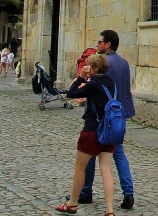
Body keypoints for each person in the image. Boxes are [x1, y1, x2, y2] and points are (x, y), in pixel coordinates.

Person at [77, 30, 135, 210]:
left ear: (108, 44)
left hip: (102, 116)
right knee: (118, 153)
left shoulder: (102, 64)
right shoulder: (125, 63)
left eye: (100, 42)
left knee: (91, 153)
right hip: (120, 114)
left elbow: (94, 88)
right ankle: (128, 192)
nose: (97, 45)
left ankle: (85, 192)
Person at [55, 54, 117, 216]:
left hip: (92, 129)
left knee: (80, 167)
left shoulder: (93, 84)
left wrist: (81, 77)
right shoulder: (111, 83)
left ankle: (72, 203)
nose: (87, 69)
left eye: (89, 66)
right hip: (108, 130)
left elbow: (72, 93)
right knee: (106, 169)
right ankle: (110, 210)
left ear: (96, 68)